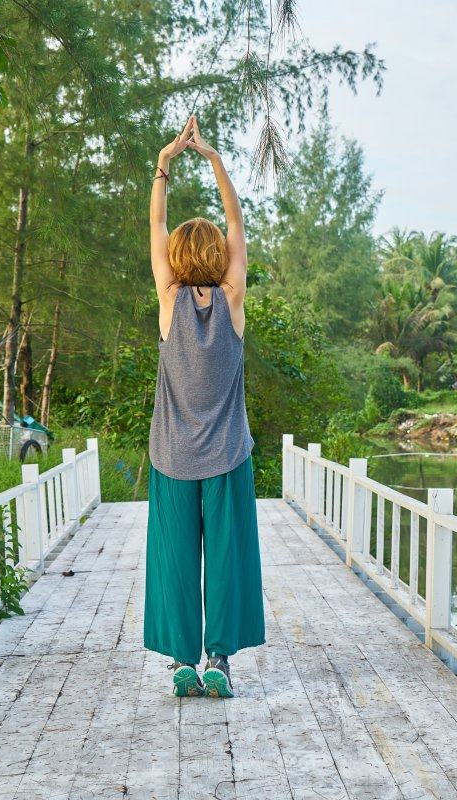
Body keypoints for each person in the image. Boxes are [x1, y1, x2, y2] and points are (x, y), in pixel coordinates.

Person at [145, 116, 265, 698]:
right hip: (226, 455)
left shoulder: (169, 301)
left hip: (172, 456)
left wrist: (168, 160)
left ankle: (180, 662)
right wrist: (214, 158)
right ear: (217, 254)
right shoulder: (234, 301)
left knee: (174, 560)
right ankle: (218, 657)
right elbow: (238, 222)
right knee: (224, 558)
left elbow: (156, 221)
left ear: (175, 256)